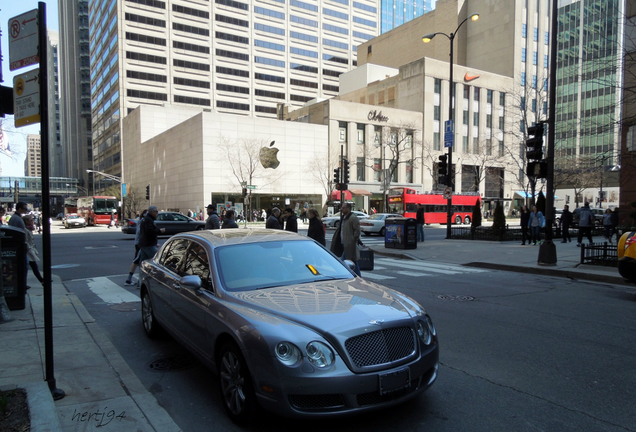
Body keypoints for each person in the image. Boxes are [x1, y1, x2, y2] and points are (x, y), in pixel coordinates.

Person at [330, 203, 361, 277]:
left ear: (348, 208)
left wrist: (353, 240)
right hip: (343, 242)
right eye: (342, 208)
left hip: (349, 243)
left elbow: (357, 231)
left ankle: (345, 276)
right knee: (352, 261)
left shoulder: (353, 218)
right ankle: (358, 276)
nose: (342, 209)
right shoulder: (343, 217)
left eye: (343, 208)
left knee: (344, 261)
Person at [125, 209, 147, 285]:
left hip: (139, 243)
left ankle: (130, 279)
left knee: (137, 261)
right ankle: (138, 281)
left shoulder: (140, 221)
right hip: (141, 244)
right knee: (140, 261)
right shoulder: (143, 222)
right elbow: (141, 233)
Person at [23, 215, 44, 285]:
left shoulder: (29, 229)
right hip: (28, 251)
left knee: (33, 266)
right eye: (31, 220)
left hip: (30, 249)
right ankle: (41, 280)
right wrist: (29, 249)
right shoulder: (25, 230)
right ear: (26, 221)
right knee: (33, 266)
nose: (33, 221)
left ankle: (41, 280)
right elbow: (25, 241)